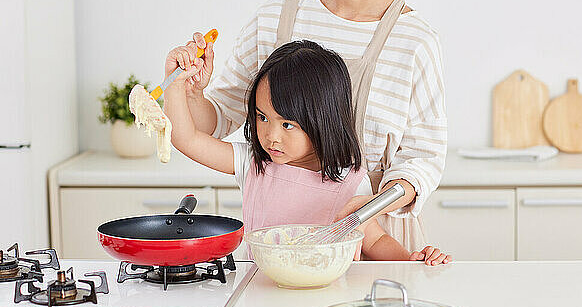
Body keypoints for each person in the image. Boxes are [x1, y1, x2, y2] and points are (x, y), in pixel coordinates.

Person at [169, 0, 446, 252]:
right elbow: (209, 125)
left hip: (373, 233)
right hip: (278, 244)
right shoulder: (275, 17)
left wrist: (370, 208)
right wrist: (192, 92)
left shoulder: (414, 40)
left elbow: (423, 159)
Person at [164, 40, 450, 265]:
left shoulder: (349, 181)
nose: (271, 136)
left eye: (287, 124)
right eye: (262, 117)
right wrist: (177, 84)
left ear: (322, 121)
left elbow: (373, 242)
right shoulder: (253, 163)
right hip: (260, 293)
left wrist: (412, 261)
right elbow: (186, 139)